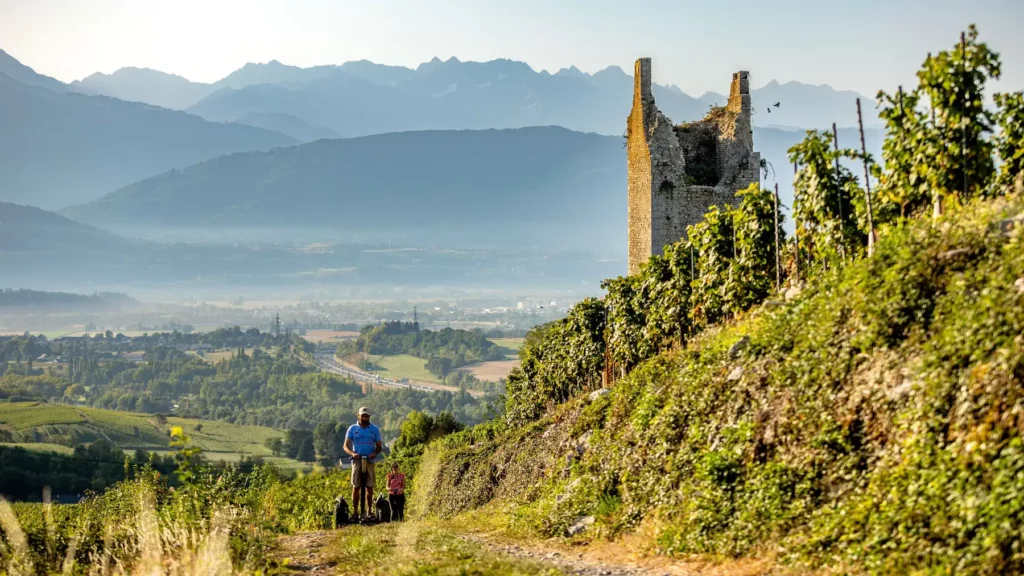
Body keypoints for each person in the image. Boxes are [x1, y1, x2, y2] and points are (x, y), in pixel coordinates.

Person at [343, 406, 383, 520]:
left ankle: (369, 512)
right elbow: (345, 446)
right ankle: (355, 513)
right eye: (363, 416)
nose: (365, 418)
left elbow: (379, 446)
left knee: (369, 487)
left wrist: (374, 453)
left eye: (367, 416)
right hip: (357, 460)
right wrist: (352, 453)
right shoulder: (352, 428)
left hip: (370, 461)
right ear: (358, 416)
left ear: (369, 417)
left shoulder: (374, 429)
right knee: (356, 487)